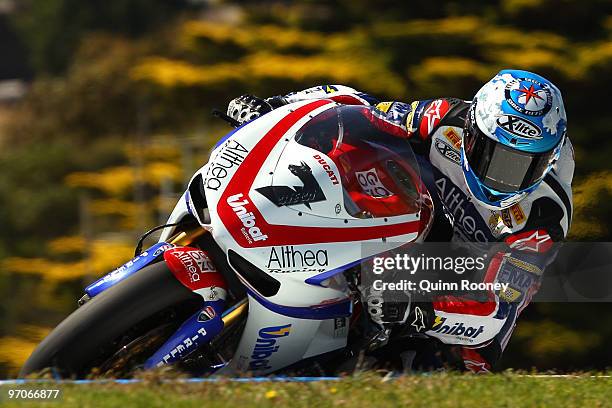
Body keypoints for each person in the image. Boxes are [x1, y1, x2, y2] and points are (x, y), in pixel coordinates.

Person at [225, 69, 574, 372]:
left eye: (522, 165)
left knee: (411, 369)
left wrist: (424, 309)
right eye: (491, 153)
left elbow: (499, 309)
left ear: (549, 160)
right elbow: (360, 107)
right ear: (471, 129)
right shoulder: (444, 119)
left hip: (461, 309)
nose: (503, 177)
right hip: (403, 241)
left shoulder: (544, 218)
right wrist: (276, 107)